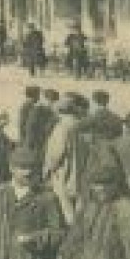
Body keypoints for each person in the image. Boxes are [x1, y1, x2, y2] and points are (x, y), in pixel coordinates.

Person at [44, 93, 87, 225]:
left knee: (66, 210)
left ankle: (72, 239)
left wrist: (48, 169)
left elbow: (56, 154)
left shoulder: (62, 127)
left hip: (64, 174)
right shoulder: (82, 124)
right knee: (80, 209)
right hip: (82, 173)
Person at [23, 89, 60, 160]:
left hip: (44, 141)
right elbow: (30, 126)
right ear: (46, 99)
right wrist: (30, 142)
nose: (52, 104)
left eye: (54, 102)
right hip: (37, 141)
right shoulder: (38, 109)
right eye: (51, 101)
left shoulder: (50, 111)